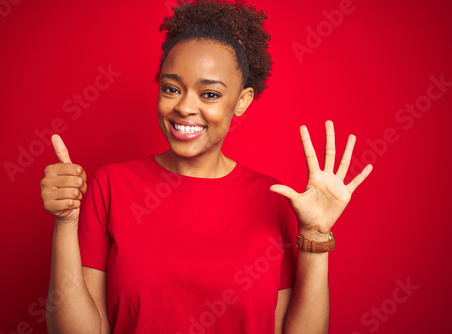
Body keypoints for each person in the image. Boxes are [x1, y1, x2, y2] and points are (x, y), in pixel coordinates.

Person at [40, 1, 372, 333]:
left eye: (209, 94)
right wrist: (66, 221)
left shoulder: (274, 201)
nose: (185, 107)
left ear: (241, 101)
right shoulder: (111, 186)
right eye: (172, 89)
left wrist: (315, 237)